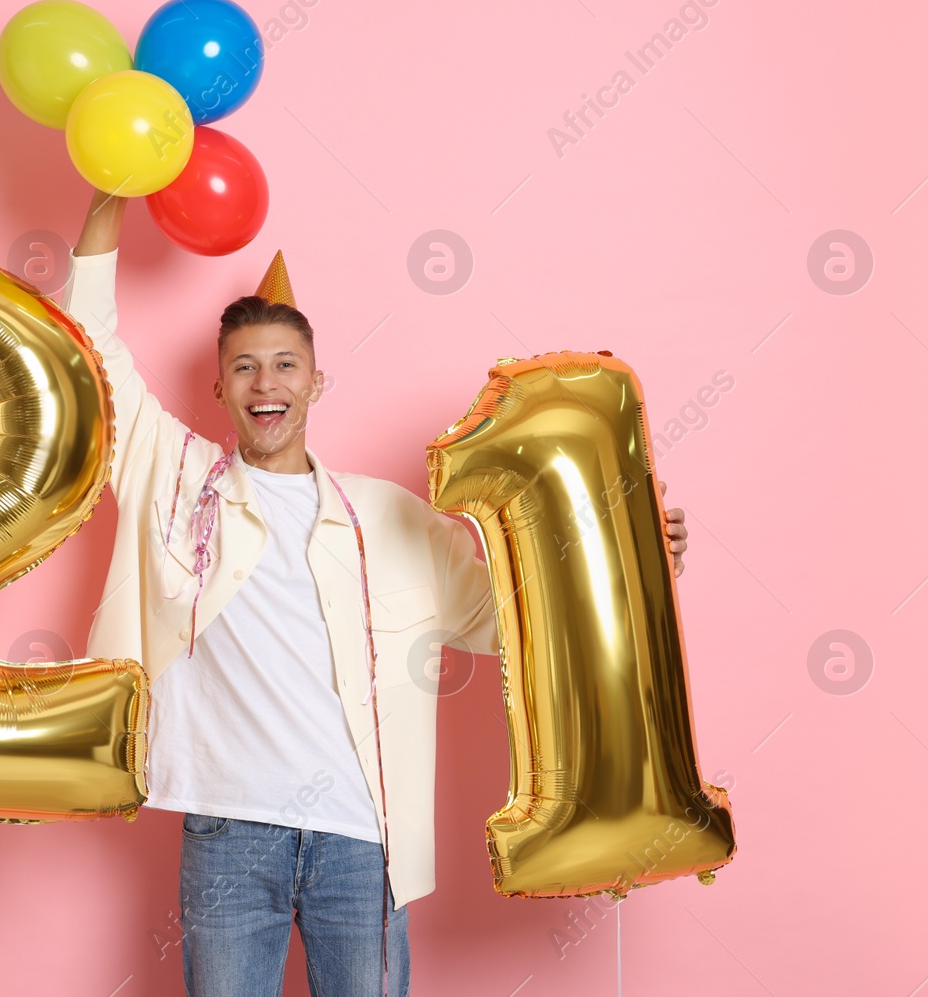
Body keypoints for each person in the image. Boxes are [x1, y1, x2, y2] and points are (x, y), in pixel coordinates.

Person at [60, 190, 690, 996]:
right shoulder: (174, 478)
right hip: (226, 827)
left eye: (285, 364)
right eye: (244, 366)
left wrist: (631, 559)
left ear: (317, 382)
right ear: (219, 390)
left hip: (364, 839)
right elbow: (91, 354)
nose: (266, 383)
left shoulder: (390, 517)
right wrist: (109, 199)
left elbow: (514, 621)